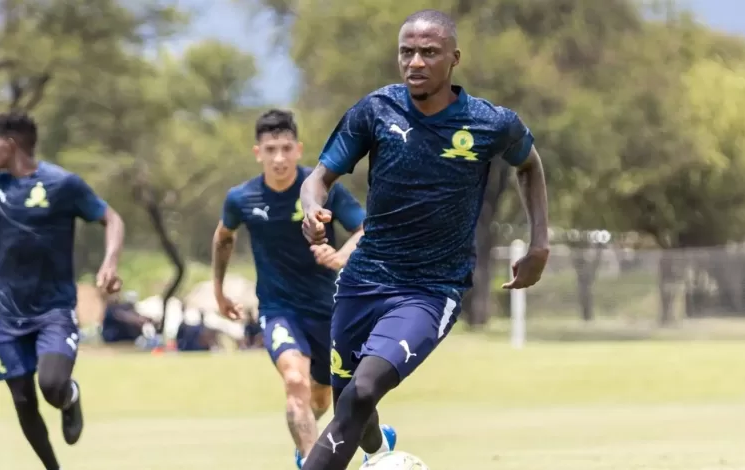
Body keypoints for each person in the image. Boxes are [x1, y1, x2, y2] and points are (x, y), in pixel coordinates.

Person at [299, 9, 551, 470]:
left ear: (454, 59)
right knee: (349, 404)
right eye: (407, 52)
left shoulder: (490, 123)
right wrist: (312, 208)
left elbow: (529, 165)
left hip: (430, 290)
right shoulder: (376, 111)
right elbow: (319, 177)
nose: (415, 62)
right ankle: (379, 450)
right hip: (362, 280)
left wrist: (540, 244)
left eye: (428, 53)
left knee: (364, 390)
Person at [211, 109, 366, 469]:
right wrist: (218, 291)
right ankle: (313, 462)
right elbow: (223, 237)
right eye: (270, 150)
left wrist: (342, 255)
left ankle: (315, 443)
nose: (278, 158)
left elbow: (365, 229)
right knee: (294, 379)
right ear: (257, 153)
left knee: (321, 398)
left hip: (329, 311)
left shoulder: (321, 189)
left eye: (285, 148)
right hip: (279, 310)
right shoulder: (242, 198)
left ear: (298, 149)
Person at [0, 111, 125, 470]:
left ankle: (70, 398)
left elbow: (112, 218)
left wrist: (110, 263)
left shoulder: (62, 184)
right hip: (5, 315)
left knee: (51, 384)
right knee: (22, 399)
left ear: (9, 145)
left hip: (52, 311)